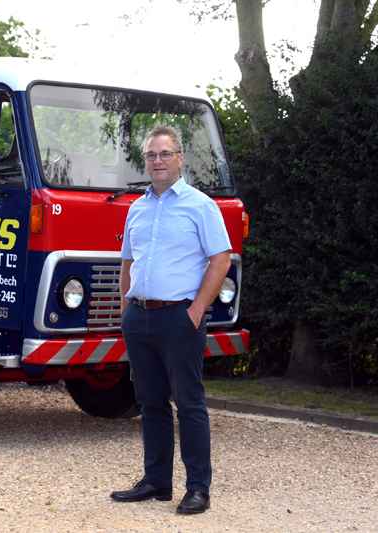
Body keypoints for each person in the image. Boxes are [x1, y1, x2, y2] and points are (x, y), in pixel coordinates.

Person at [111, 125, 232, 514]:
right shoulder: (137, 207)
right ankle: (156, 482)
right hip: (140, 319)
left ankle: (198, 488)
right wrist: (126, 309)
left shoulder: (200, 205)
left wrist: (196, 311)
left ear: (180, 158)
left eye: (165, 154)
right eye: (151, 155)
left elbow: (221, 259)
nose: (157, 161)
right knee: (151, 403)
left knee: (189, 403)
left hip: (180, 318)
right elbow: (128, 261)